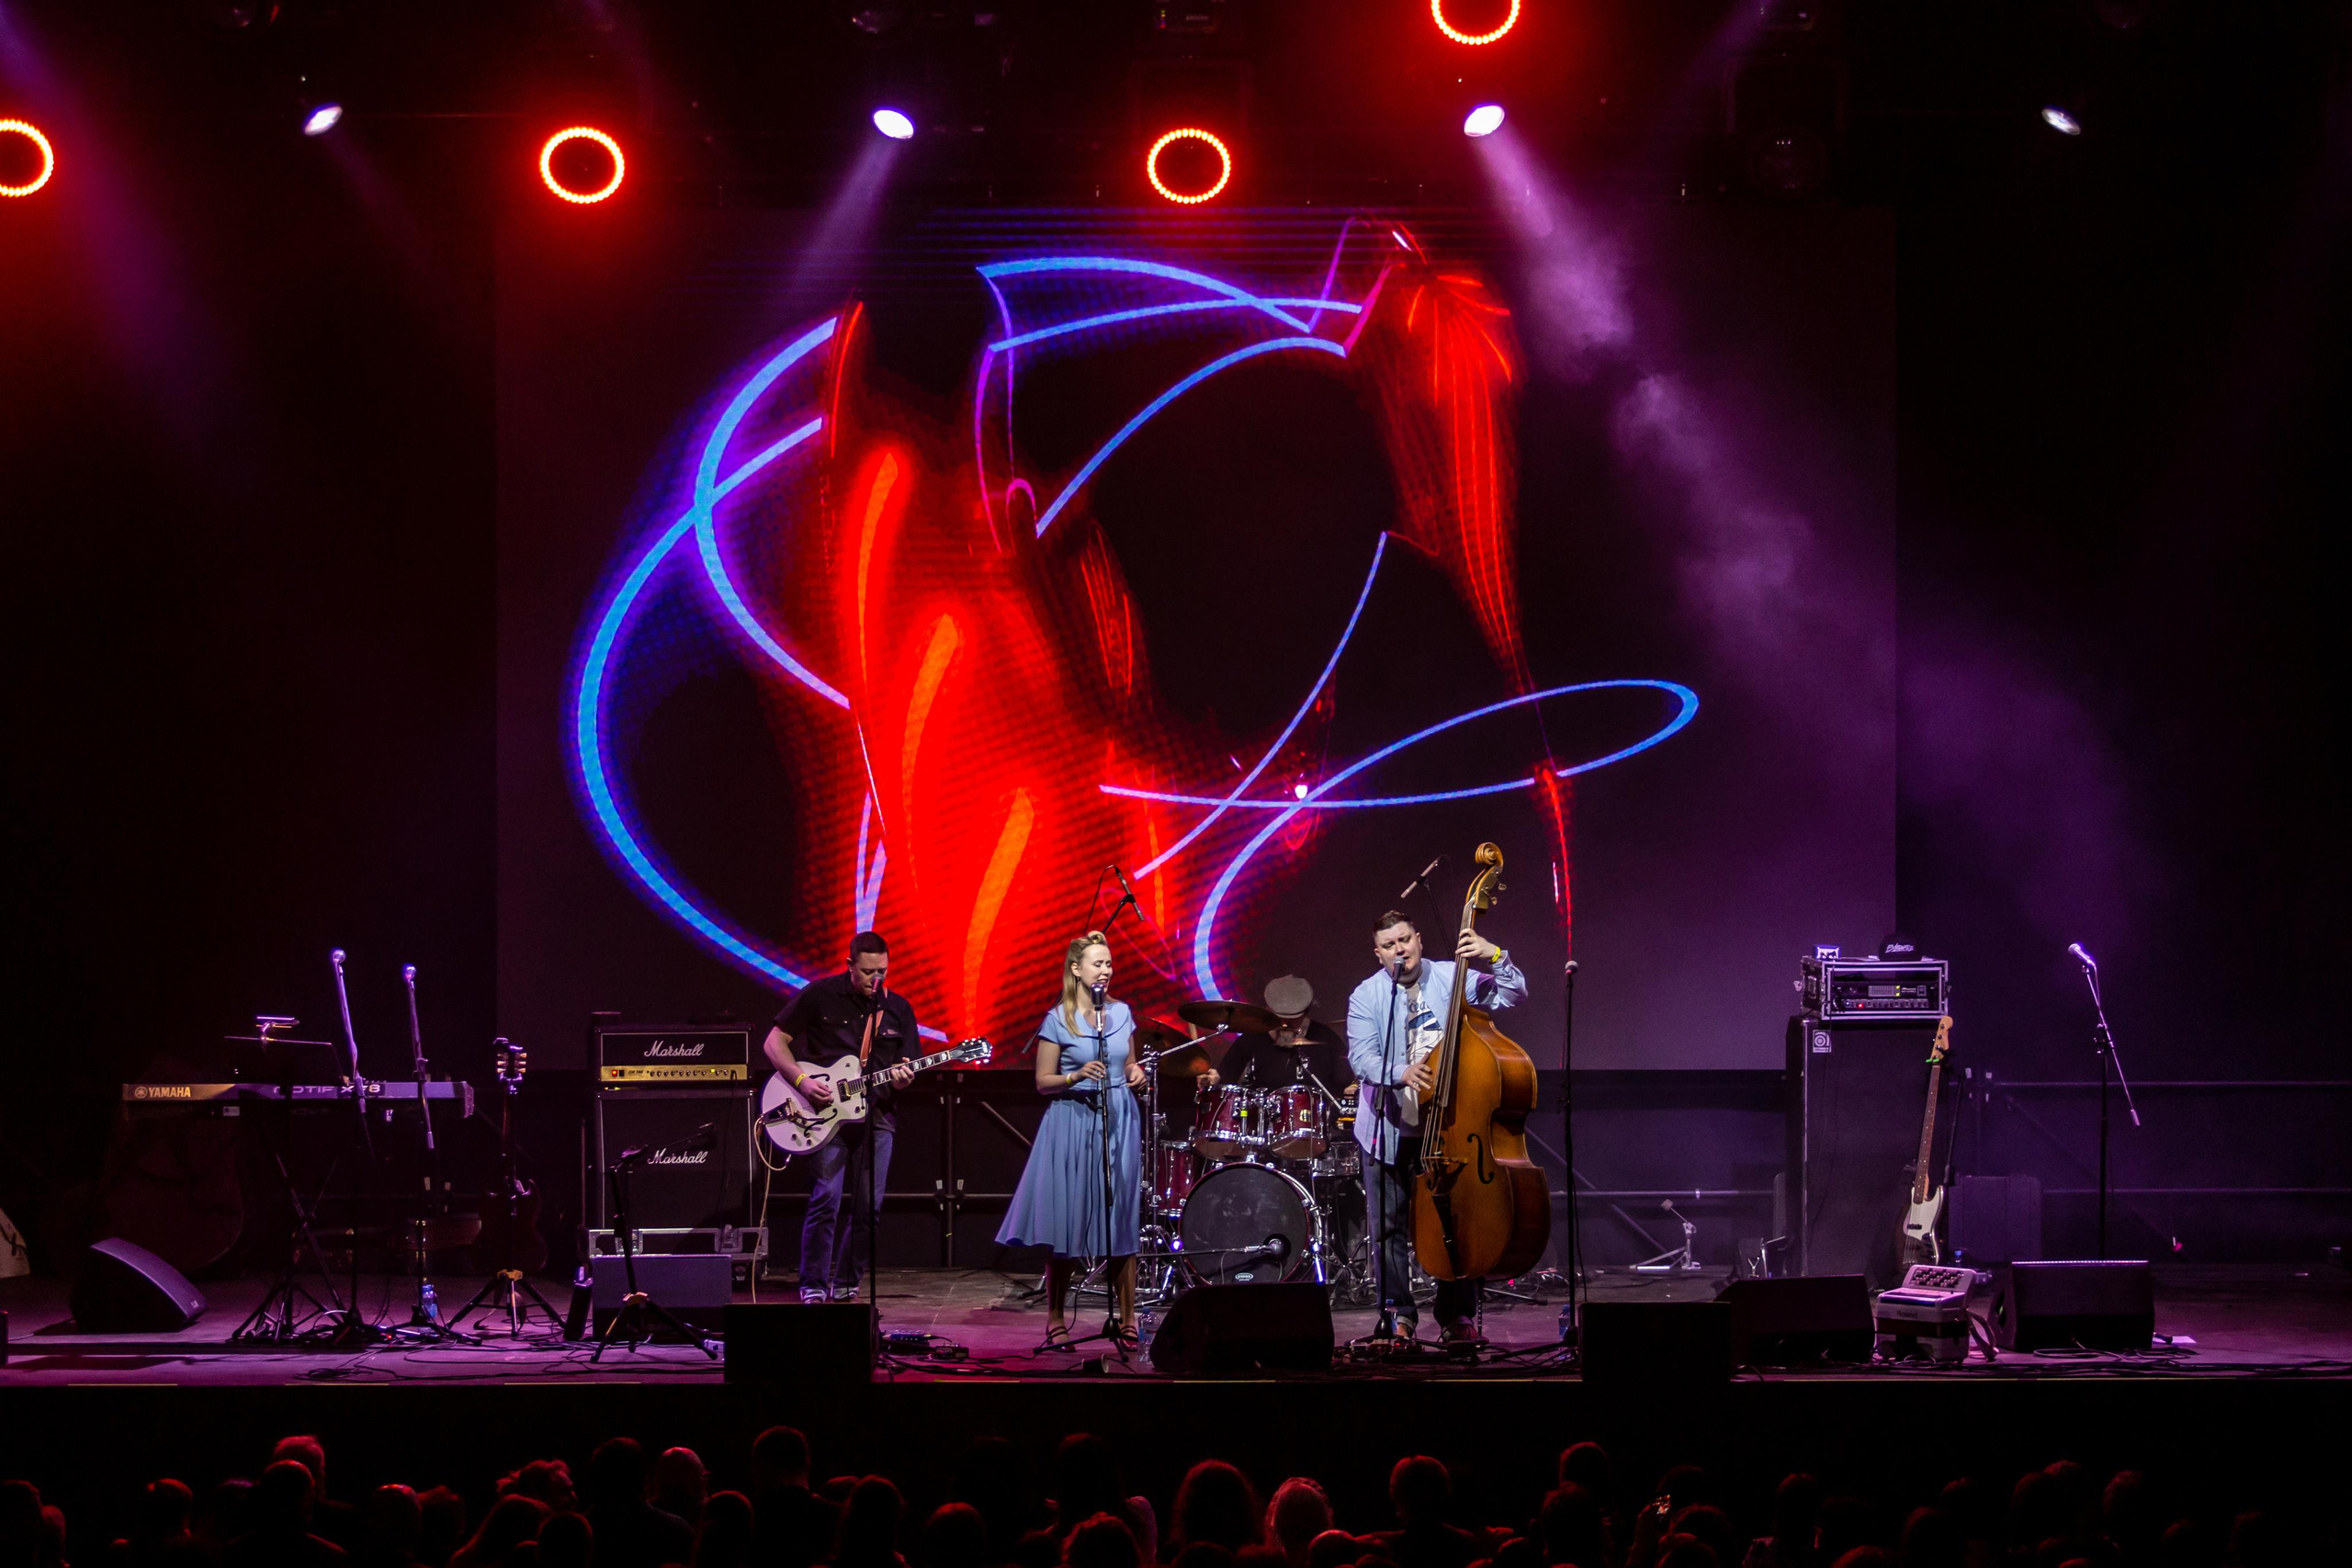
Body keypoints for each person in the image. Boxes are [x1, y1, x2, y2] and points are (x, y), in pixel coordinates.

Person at [1345, 908, 1526, 1344]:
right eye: (1389, 945)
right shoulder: (1366, 996)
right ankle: (1398, 1315)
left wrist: (1495, 955)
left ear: (1419, 940)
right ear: (1378, 954)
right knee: (1387, 1227)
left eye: (1404, 939)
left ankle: (1456, 1317)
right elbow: (1362, 1058)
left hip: (1447, 1126)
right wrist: (1399, 1072)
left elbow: (1513, 995)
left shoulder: (1452, 976)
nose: (1399, 950)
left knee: (1455, 1220)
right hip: (1387, 1130)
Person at [996, 932, 1146, 1351]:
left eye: (1110, 964)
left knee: (1121, 1220)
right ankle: (1056, 1317)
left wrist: (1135, 1073)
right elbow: (1042, 1082)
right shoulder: (1058, 1018)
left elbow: (1129, 1062)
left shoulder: (1121, 1013)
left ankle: (1129, 1318)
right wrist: (1075, 1076)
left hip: (1119, 1118)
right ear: (1076, 970)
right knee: (1067, 1220)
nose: (1106, 971)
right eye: (1098, 964)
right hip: (1071, 1120)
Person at [763, 931, 923, 1303]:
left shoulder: (898, 1008)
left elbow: (906, 1068)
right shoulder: (820, 995)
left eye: (882, 971)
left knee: (871, 1206)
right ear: (850, 965)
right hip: (823, 1114)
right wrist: (802, 1082)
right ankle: (814, 1285)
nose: (876, 980)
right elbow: (774, 1042)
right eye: (868, 972)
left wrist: (902, 1080)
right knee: (826, 1199)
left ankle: (848, 1281)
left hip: (877, 1115)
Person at [1203, 978, 1352, 1098]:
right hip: (1261, 1126)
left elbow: (1345, 1082)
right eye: (1280, 1018)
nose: (1285, 1024)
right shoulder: (1251, 1039)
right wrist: (1214, 1080)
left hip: (1317, 1126)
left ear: (1306, 1012)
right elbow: (1225, 1079)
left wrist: (1351, 1088)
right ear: (1269, 1010)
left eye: (1293, 1019)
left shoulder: (1326, 1040)